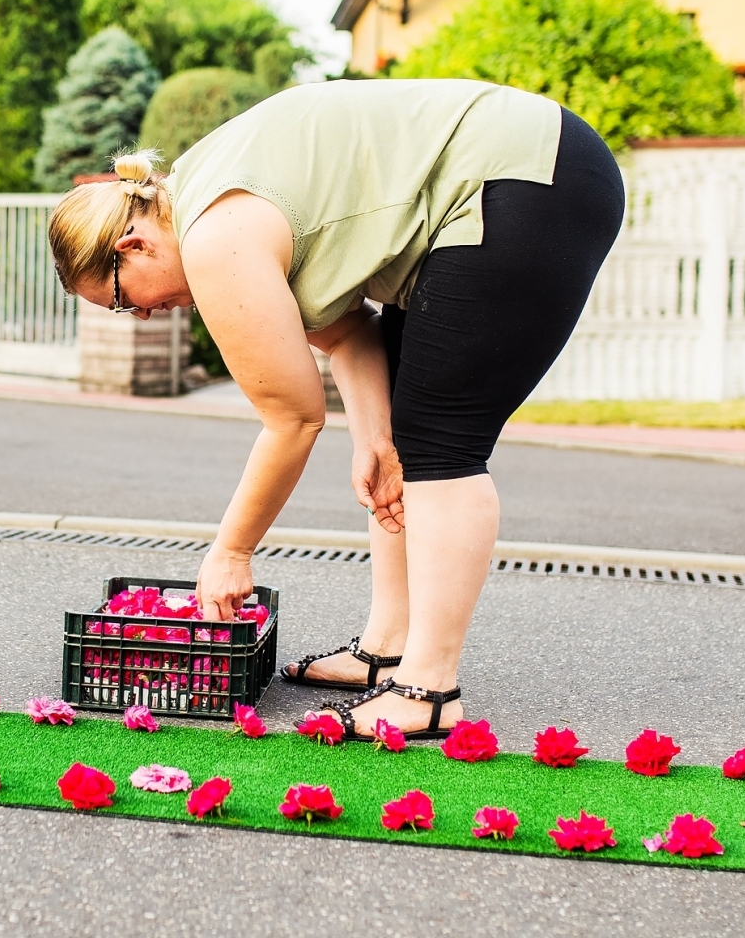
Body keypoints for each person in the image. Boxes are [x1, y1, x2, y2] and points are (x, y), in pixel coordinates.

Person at [46, 78, 624, 741]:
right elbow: (347, 333)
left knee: (440, 444)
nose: (142, 315)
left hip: (524, 175)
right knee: (407, 441)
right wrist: (375, 438)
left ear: (132, 247)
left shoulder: (214, 238)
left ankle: (428, 689)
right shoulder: (202, 200)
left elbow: (292, 420)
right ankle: (387, 648)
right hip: (510, 175)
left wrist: (231, 553)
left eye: (123, 300)